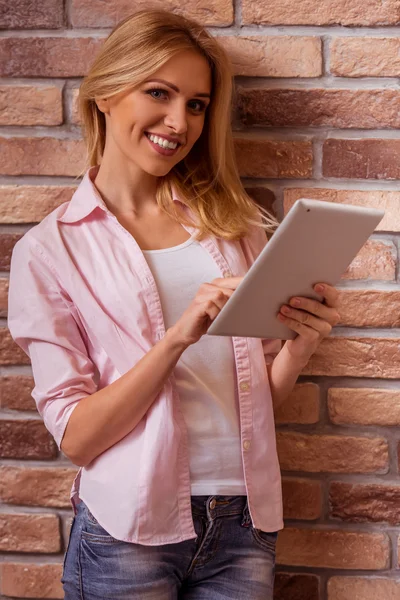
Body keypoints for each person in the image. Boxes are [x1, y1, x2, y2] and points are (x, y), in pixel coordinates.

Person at [8, 10, 340, 600]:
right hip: (127, 533)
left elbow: (252, 397)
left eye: (196, 103)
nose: (177, 120)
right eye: (158, 93)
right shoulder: (51, 249)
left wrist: (299, 347)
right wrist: (177, 338)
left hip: (241, 520)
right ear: (106, 94)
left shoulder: (231, 227)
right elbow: (78, 439)